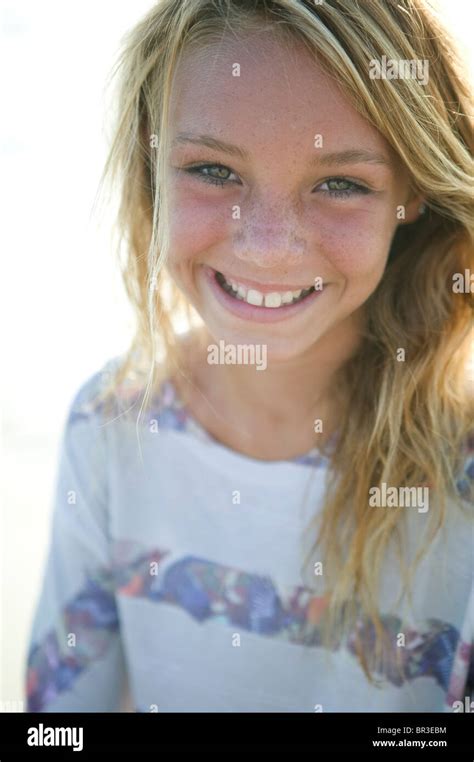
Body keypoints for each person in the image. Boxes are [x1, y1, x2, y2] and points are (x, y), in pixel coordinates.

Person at [25, 0, 473, 712]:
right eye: (212, 170)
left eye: (341, 184)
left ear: (412, 190)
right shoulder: (110, 427)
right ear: (151, 167)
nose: (266, 245)